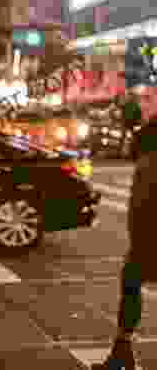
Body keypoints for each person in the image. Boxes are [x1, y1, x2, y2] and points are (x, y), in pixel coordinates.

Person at [92, 85, 157, 370]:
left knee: (131, 284)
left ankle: (121, 352)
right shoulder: (145, 141)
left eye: (149, 100)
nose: (144, 104)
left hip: (148, 236)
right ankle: (121, 351)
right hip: (144, 235)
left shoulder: (149, 142)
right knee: (130, 285)